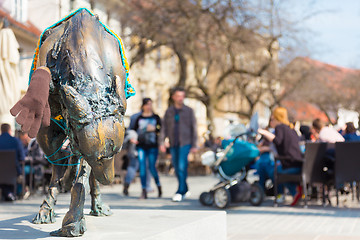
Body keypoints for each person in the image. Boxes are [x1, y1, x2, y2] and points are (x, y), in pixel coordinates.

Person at [258, 107, 303, 206]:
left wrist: (265, 133)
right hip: (298, 162)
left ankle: (288, 193)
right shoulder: (291, 128)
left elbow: (277, 141)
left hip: (290, 164)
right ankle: (295, 191)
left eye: (272, 119)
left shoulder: (280, 127)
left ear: (277, 118)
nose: (271, 122)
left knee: (272, 171)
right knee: (277, 169)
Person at [160, 87, 198, 202]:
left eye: (182, 96)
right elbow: (164, 128)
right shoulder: (169, 111)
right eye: (178, 96)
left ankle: (180, 191)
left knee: (182, 166)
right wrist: (162, 142)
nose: (180, 98)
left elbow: (194, 128)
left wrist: (195, 144)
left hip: (185, 143)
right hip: (173, 143)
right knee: (177, 168)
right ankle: (185, 188)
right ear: (174, 97)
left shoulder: (189, 111)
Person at [133, 98, 162, 199]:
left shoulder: (156, 117)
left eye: (150, 104)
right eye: (147, 104)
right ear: (143, 106)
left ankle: (158, 186)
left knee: (152, 167)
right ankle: (144, 190)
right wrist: (133, 138)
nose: (149, 106)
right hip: (141, 146)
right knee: (142, 168)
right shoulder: (139, 118)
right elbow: (133, 130)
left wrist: (155, 129)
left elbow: (161, 129)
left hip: (153, 146)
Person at [0, 124, 25, 201]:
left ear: (1, 130)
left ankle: (7, 193)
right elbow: (22, 158)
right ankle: (10, 193)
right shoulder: (16, 141)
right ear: (9, 130)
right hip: (13, 171)